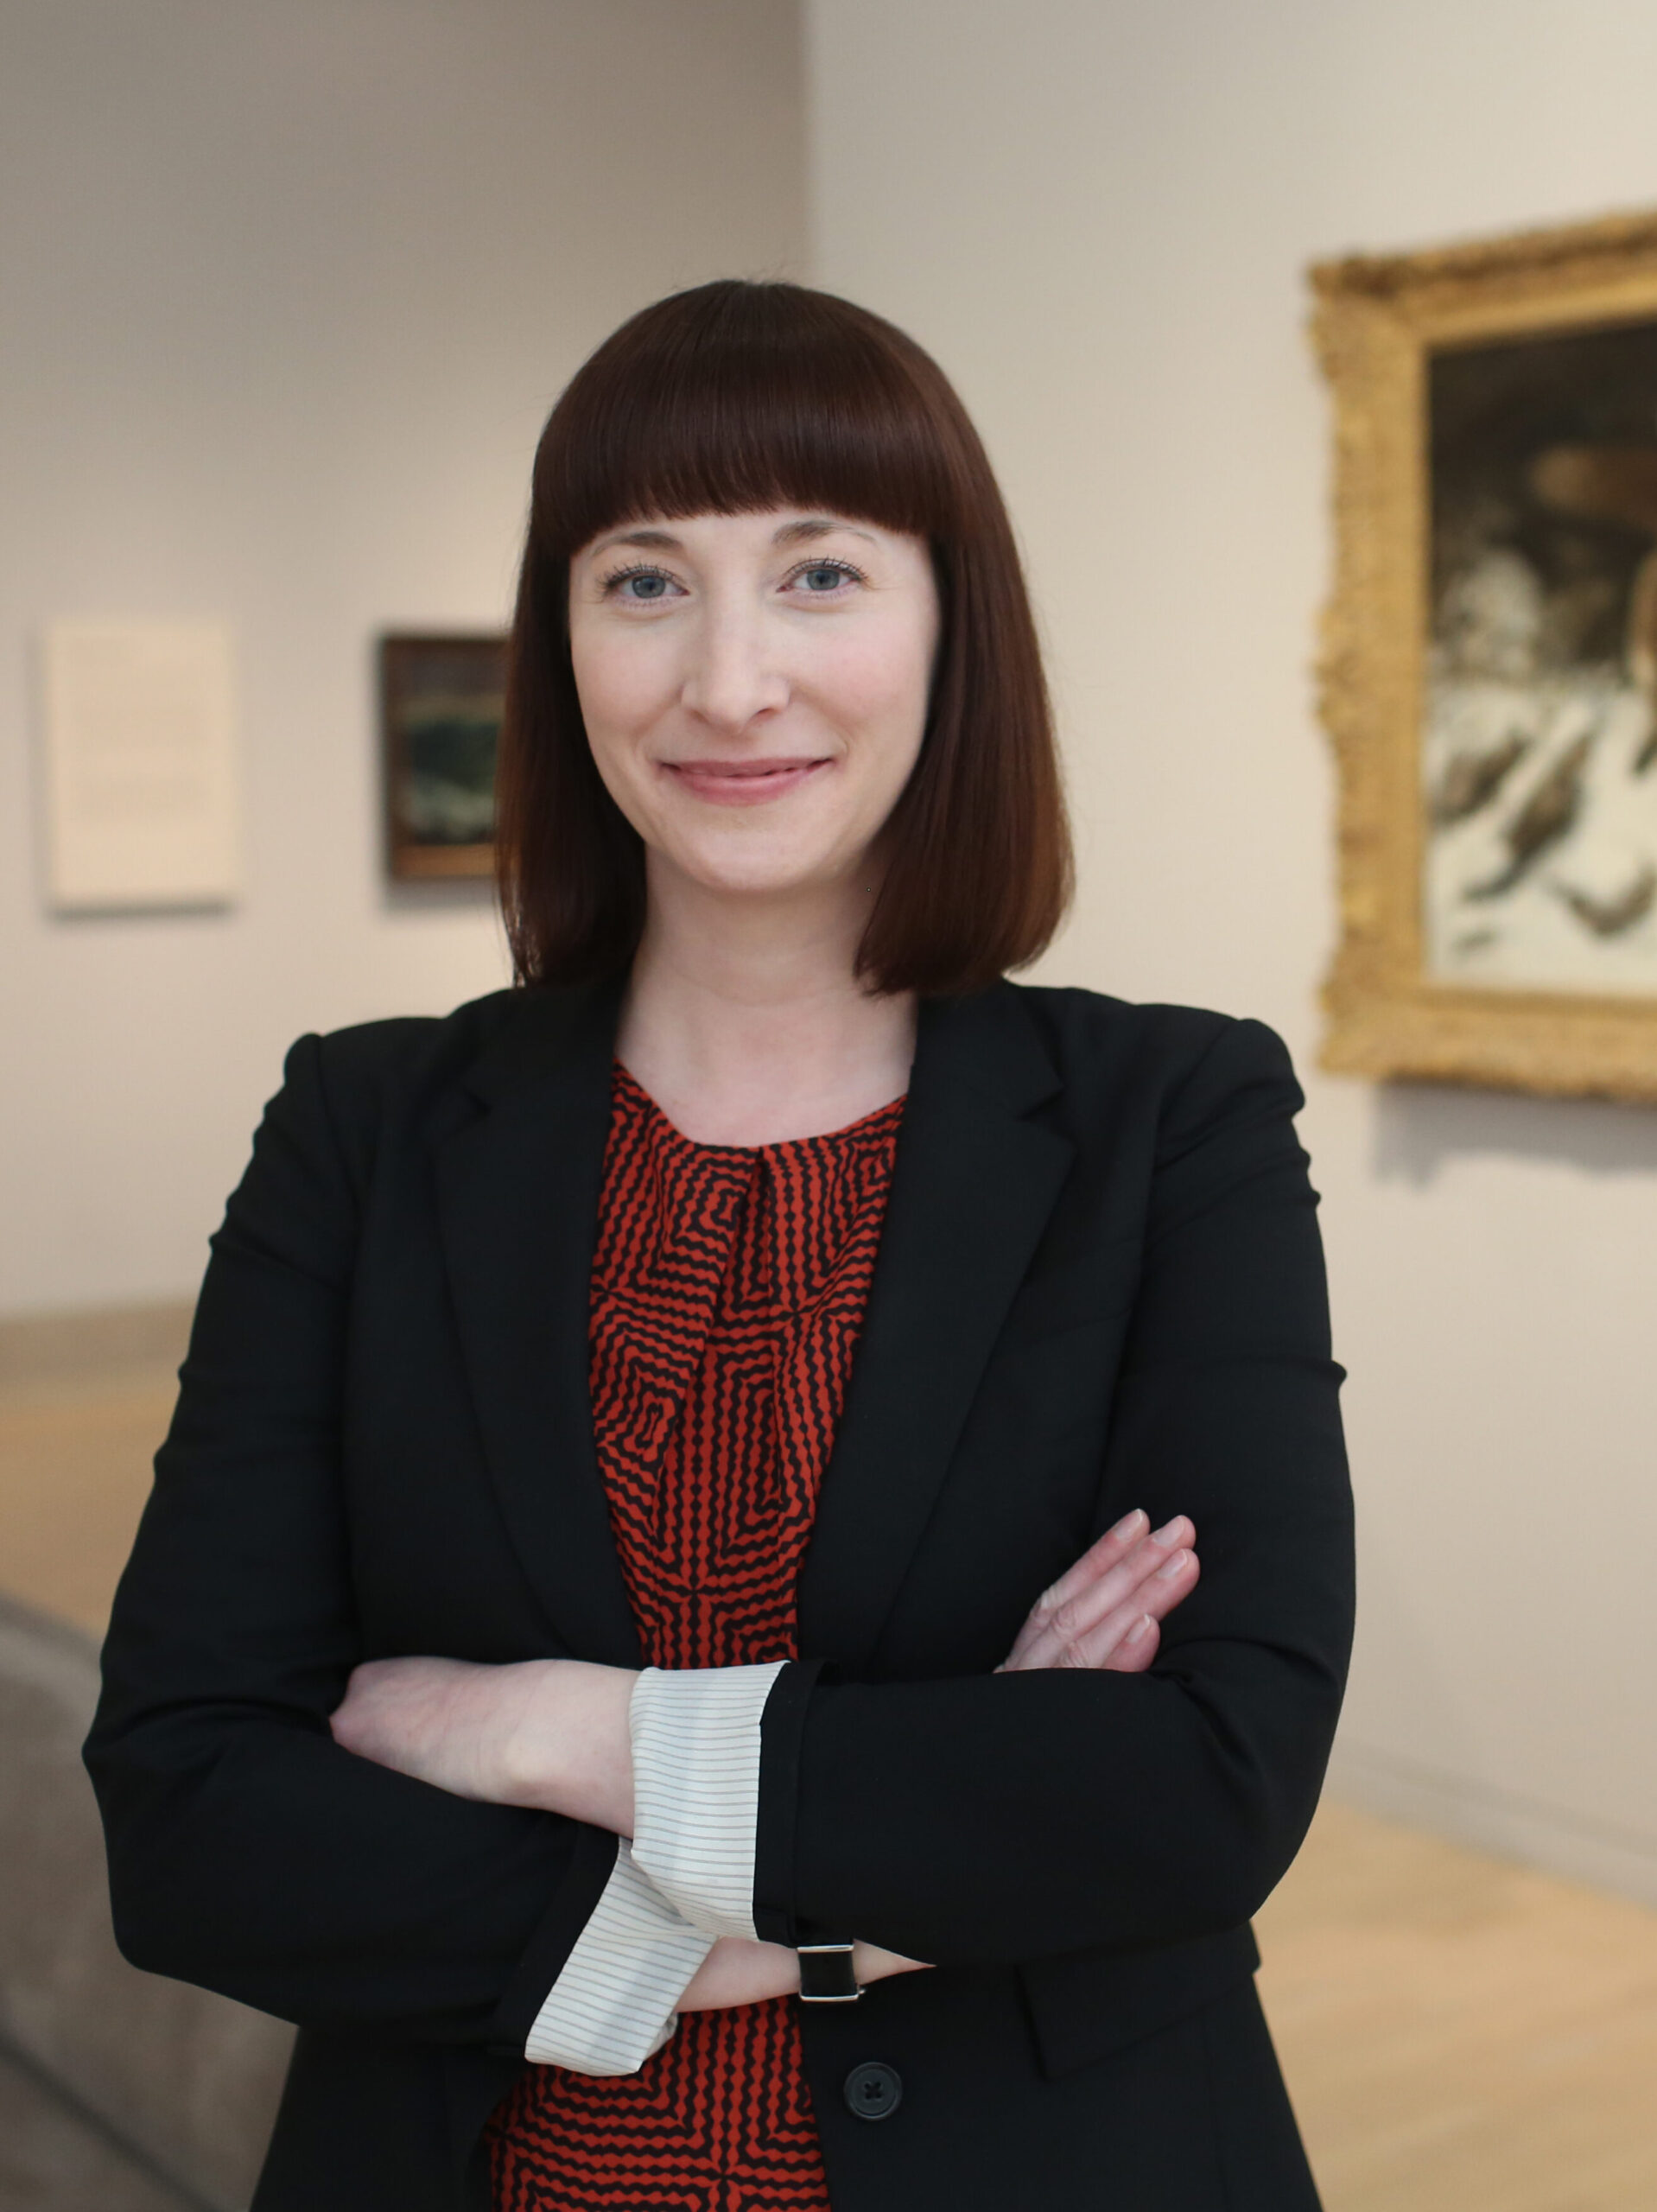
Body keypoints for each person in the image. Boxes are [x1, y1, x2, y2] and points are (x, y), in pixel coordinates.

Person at [86, 279, 1355, 2212]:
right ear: (563, 637)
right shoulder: (364, 1129)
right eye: (645, 580)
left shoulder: (1168, 1120)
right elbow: (189, 1807)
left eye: (820, 574)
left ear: (949, 624)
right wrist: (879, 1866)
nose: (730, 678)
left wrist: (539, 1728)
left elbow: (1205, 1783)